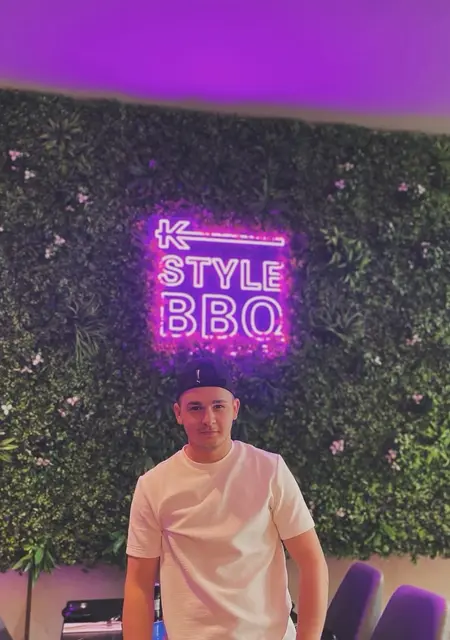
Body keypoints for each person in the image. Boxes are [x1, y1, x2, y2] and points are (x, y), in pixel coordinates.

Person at [123, 357, 329, 640]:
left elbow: (312, 561)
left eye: (218, 406)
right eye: (195, 408)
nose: (208, 419)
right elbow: (138, 584)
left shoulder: (270, 471)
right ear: (178, 413)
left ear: (235, 409)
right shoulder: (153, 486)